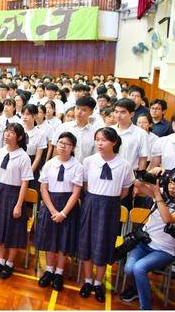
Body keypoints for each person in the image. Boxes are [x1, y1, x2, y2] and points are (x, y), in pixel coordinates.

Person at [79, 127, 134, 302]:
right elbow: (85, 185)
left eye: (104, 140)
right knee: (87, 242)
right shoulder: (89, 161)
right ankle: (87, 281)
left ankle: (97, 283)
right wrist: (95, 199)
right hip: (91, 203)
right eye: (97, 139)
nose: (99, 143)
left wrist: (109, 200)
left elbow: (125, 189)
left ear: (114, 142)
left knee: (104, 244)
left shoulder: (124, 164)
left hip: (111, 207)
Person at [120, 168, 175, 310]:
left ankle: (145, 307)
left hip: (164, 251)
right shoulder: (163, 194)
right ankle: (138, 290)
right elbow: (137, 183)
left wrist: (157, 194)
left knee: (139, 268)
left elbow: (167, 218)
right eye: (171, 183)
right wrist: (149, 173)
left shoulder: (159, 195)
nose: (173, 188)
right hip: (145, 242)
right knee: (129, 269)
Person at [35, 132, 82, 292]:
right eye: (60, 143)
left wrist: (63, 213)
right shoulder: (49, 164)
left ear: (73, 147)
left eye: (67, 144)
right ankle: (49, 270)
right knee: (50, 239)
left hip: (68, 206)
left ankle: (59, 273)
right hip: (50, 205)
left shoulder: (77, 166)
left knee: (63, 240)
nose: (62, 146)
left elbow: (76, 193)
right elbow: (43, 188)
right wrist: (53, 210)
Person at [0, 123, 34, 279]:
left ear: (19, 137)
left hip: (14, 194)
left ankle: (10, 263)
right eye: (6, 131)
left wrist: (19, 205)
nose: (7, 134)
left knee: (13, 230)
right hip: (0, 192)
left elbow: (25, 183)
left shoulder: (23, 157)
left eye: (11, 133)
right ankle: (1, 260)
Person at [52, 96, 99, 164]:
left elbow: (95, 155)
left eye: (83, 110)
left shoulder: (94, 132)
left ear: (91, 112)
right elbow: (56, 150)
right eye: (77, 108)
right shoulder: (63, 127)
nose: (79, 112)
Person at [21, 104, 47, 190]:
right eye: (23, 114)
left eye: (28, 114)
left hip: (31, 164)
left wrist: (29, 173)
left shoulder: (40, 134)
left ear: (35, 116)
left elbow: (38, 157)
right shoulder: (19, 130)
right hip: (18, 163)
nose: (24, 117)